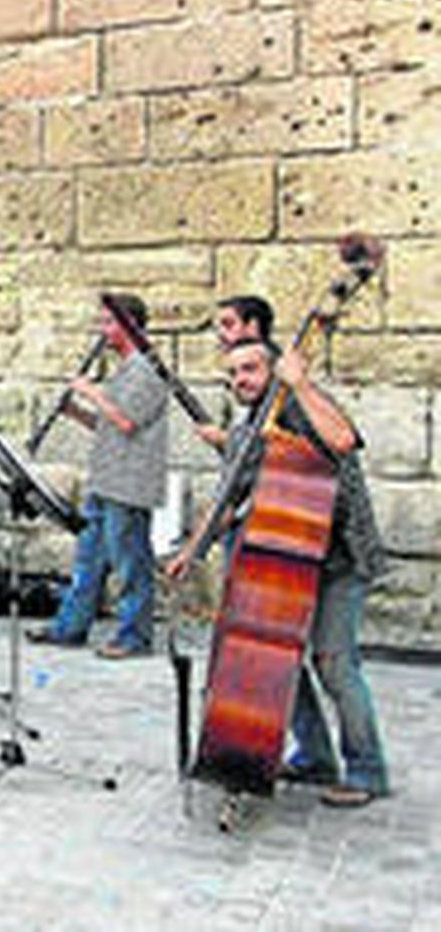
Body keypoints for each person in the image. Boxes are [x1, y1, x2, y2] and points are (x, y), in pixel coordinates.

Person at [167, 340, 388, 808]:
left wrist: (301, 382)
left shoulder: (307, 403)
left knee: (334, 662)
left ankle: (368, 770)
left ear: (275, 369)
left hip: (340, 558)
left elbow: (344, 439)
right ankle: (315, 758)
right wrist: (191, 551)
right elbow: (227, 499)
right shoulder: (250, 428)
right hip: (289, 557)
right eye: (233, 374)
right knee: (281, 658)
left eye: (250, 369)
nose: (240, 380)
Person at [28, 293, 169, 659]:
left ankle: (134, 637)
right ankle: (69, 627)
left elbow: (125, 420)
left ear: (131, 325)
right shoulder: (123, 367)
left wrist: (91, 391)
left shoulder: (148, 368)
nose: (102, 330)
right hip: (105, 477)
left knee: (130, 561)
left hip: (129, 482)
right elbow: (109, 425)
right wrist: (76, 412)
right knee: (87, 560)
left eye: (109, 322)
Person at [197, 295, 278, 450]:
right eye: (233, 373)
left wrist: (225, 439)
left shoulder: (280, 375)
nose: (220, 334)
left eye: (228, 325)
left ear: (252, 326)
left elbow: (281, 446)